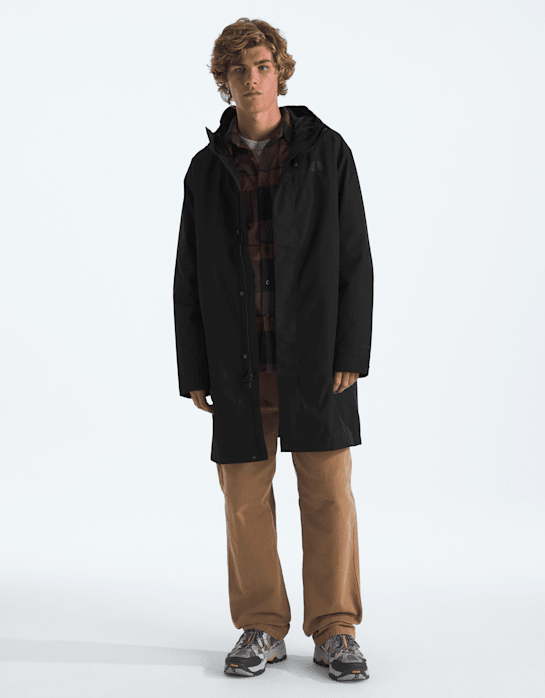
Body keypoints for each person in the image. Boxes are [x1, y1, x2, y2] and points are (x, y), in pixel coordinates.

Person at [173, 17, 373, 682]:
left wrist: (352, 349)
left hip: (316, 359)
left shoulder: (327, 152)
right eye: (238, 70)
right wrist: (194, 367)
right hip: (238, 362)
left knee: (328, 495)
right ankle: (261, 624)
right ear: (224, 81)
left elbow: (355, 257)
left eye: (262, 66)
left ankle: (336, 628)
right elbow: (188, 274)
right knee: (244, 500)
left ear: (279, 72)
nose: (252, 79)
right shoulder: (205, 170)